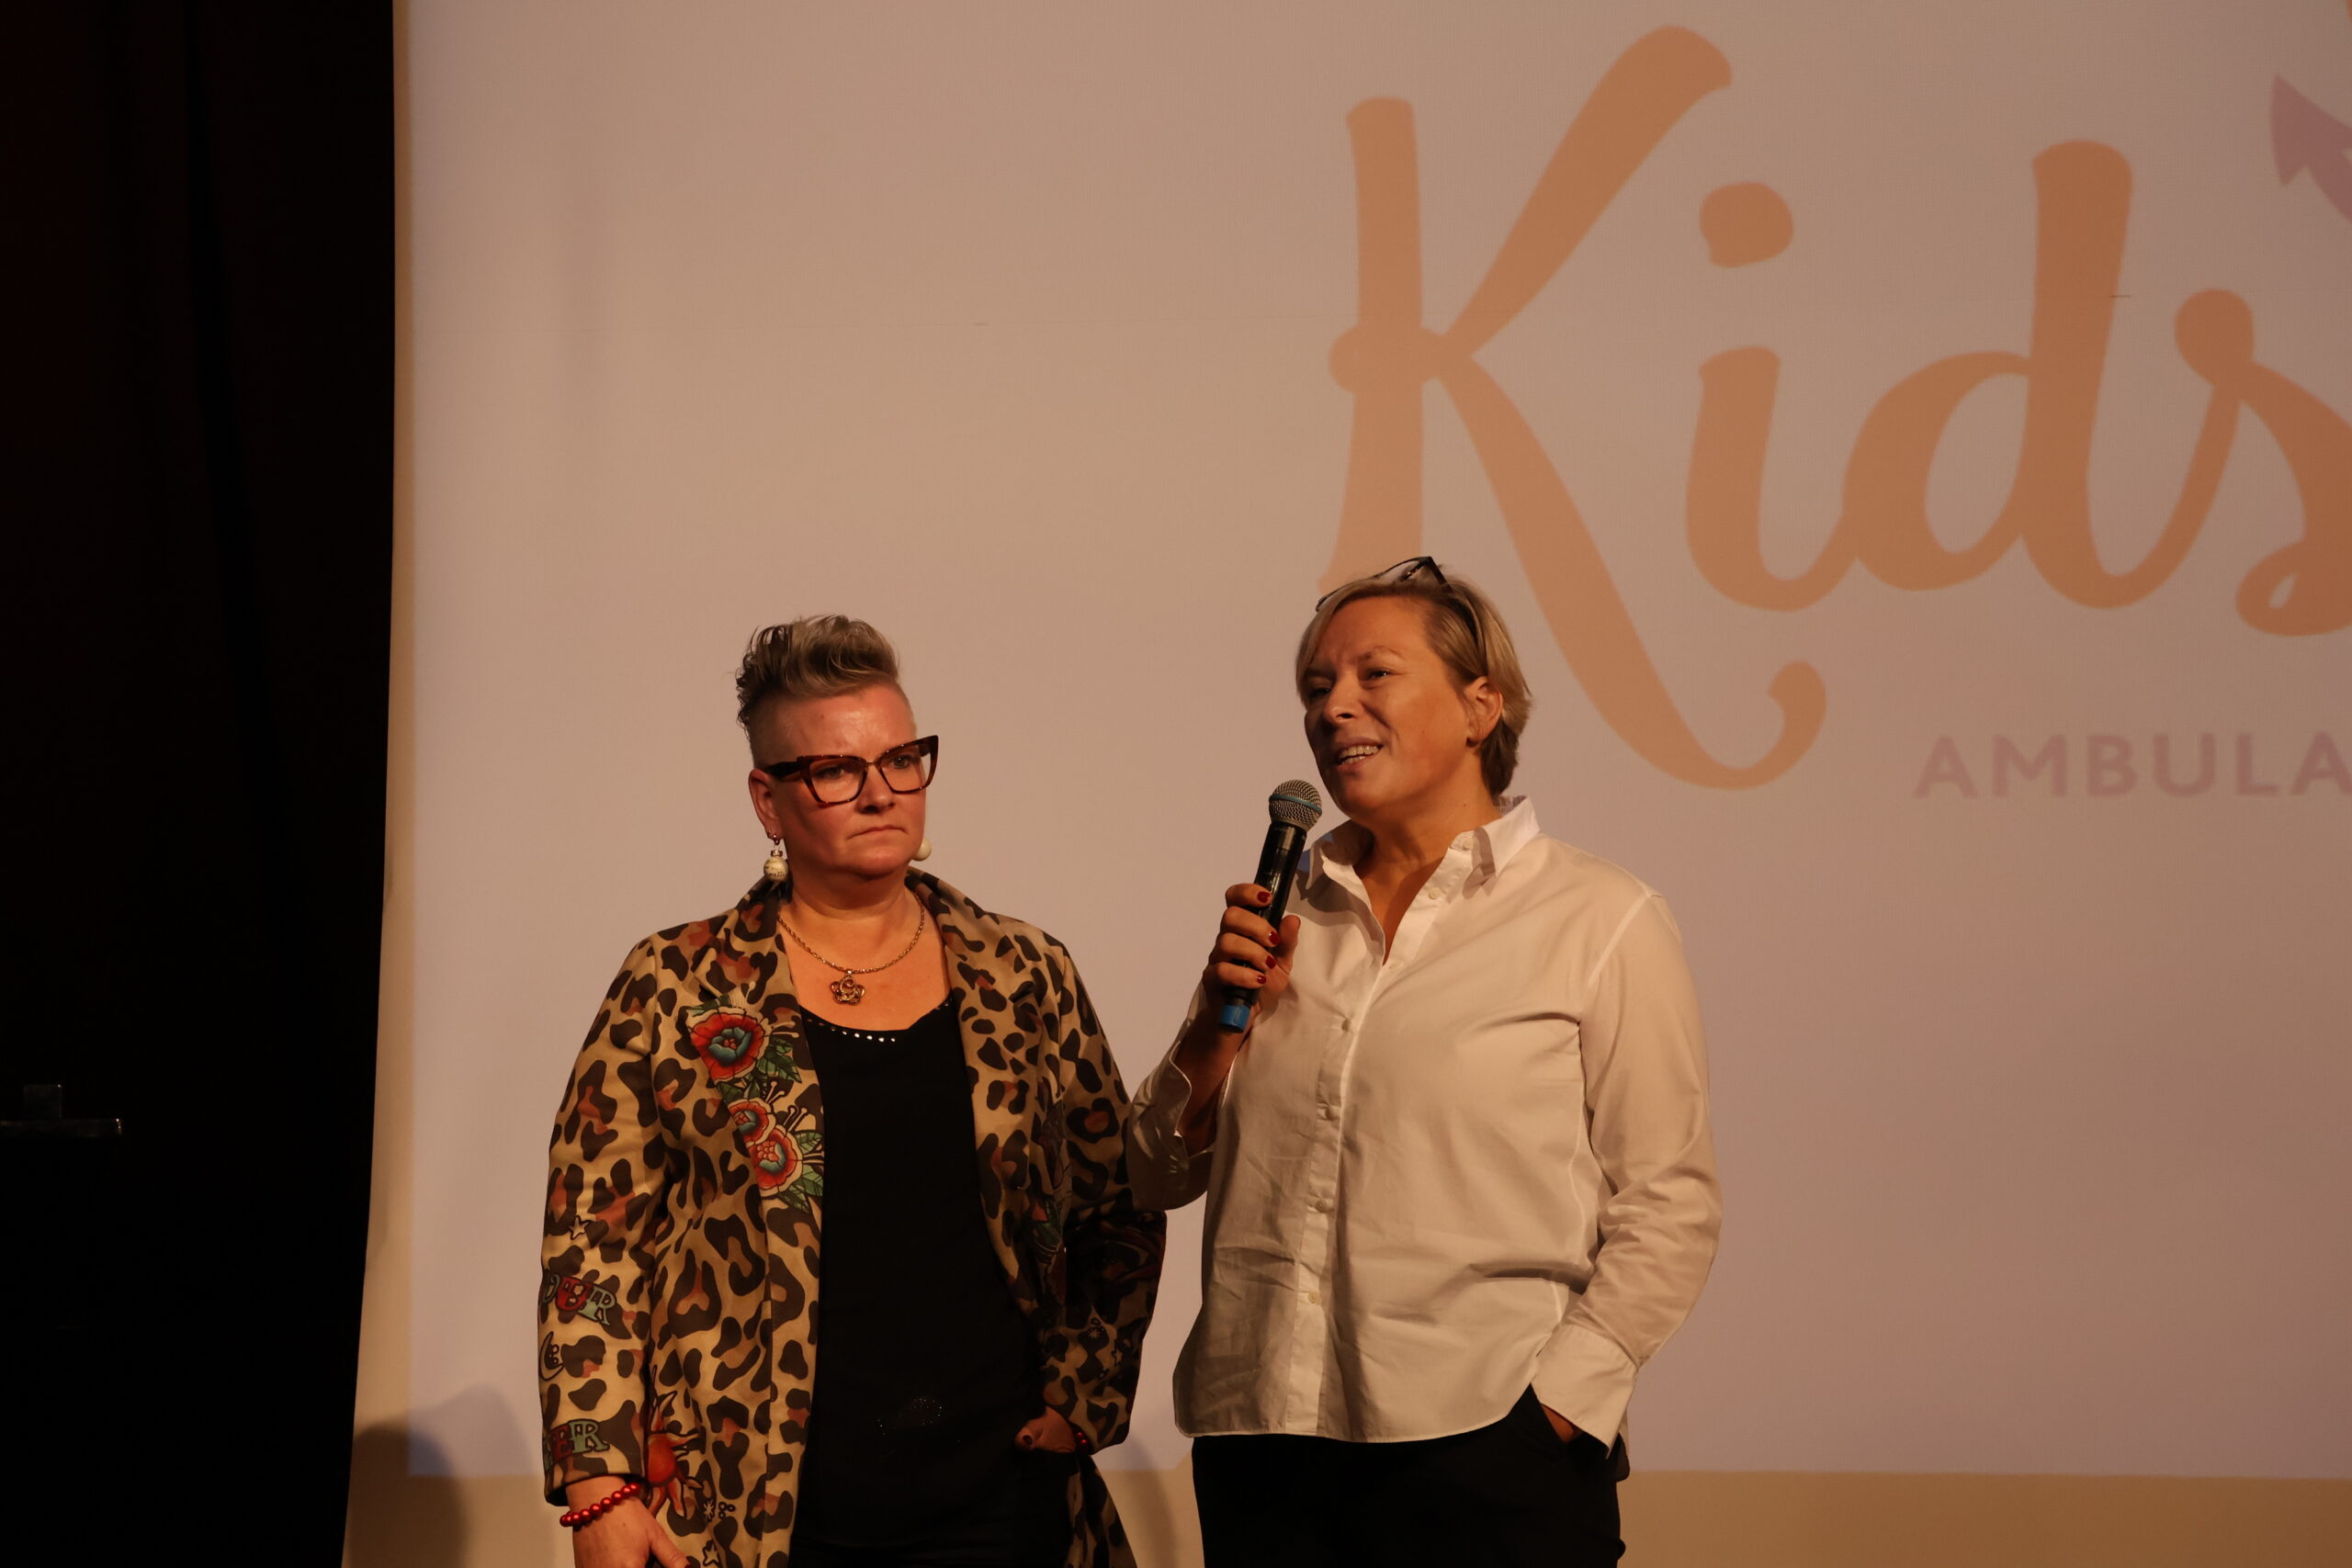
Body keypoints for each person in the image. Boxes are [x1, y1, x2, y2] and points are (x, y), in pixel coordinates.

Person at [1125, 558, 1722, 1567]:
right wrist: (1214, 1035)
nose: (1333, 708)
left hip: (1489, 1445)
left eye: (1374, 675)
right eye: (1317, 686)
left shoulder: (1598, 917)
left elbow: (1670, 1202)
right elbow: (1152, 1173)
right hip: (1264, 1444)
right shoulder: (1281, 913)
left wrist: (1559, 1409)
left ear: (1481, 706)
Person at [540, 615, 1165, 1568]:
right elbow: (593, 1240)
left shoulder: (1023, 972)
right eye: (837, 770)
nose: (881, 792)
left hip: (1003, 1498)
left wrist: (1085, 1394)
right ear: (768, 799)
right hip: (758, 1509)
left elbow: (1116, 1200)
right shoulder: (675, 985)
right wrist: (599, 1485)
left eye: (902, 759)